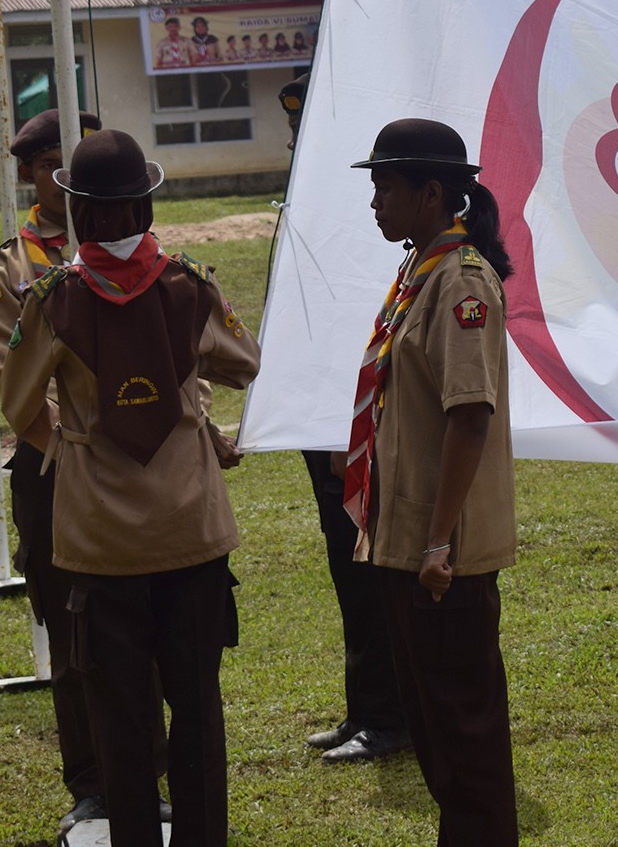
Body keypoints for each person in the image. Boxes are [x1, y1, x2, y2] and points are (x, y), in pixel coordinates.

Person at [0, 129, 258, 847]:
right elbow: (246, 362)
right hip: (191, 532)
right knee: (197, 706)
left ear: (80, 210)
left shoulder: (52, 298)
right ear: (145, 206)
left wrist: (74, 450)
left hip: (99, 543)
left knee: (120, 717)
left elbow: (20, 407)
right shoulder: (192, 285)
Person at [0, 109, 167, 834]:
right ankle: (92, 781)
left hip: (139, 465)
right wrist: (81, 442)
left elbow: (177, 351)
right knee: (75, 634)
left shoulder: (143, 250)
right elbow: (16, 383)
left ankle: (149, 773)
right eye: (57, 160)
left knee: (143, 626)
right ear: (33, 171)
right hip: (58, 470)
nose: (71, 174)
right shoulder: (10, 268)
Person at [349, 118, 519, 845]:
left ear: (431, 191)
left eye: (386, 186)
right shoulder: (419, 271)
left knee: (463, 731)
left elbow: (470, 415)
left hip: (438, 549)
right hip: (405, 535)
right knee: (434, 725)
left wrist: (440, 541)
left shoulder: (461, 282)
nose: (375, 201)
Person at [275, 74, 412, 762]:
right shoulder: (315, 205)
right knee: (346, 565)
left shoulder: (372, 213)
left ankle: (390, 715)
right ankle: (365, 706)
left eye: (308, 133)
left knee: (374, 567)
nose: (300, 146)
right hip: (324, 410)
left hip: (360, 414)